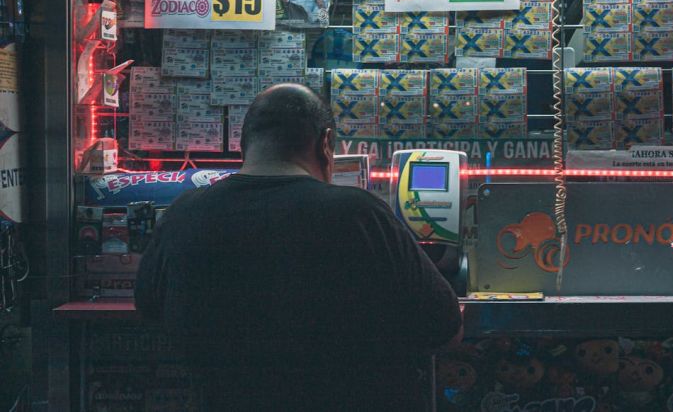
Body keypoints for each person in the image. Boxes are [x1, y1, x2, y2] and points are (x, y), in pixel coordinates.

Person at [135, 84, 463, 411]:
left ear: (242, 147)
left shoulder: (184, 213)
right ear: (325, 144)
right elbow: (445, 329)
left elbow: (150, 309)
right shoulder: (359, 214)